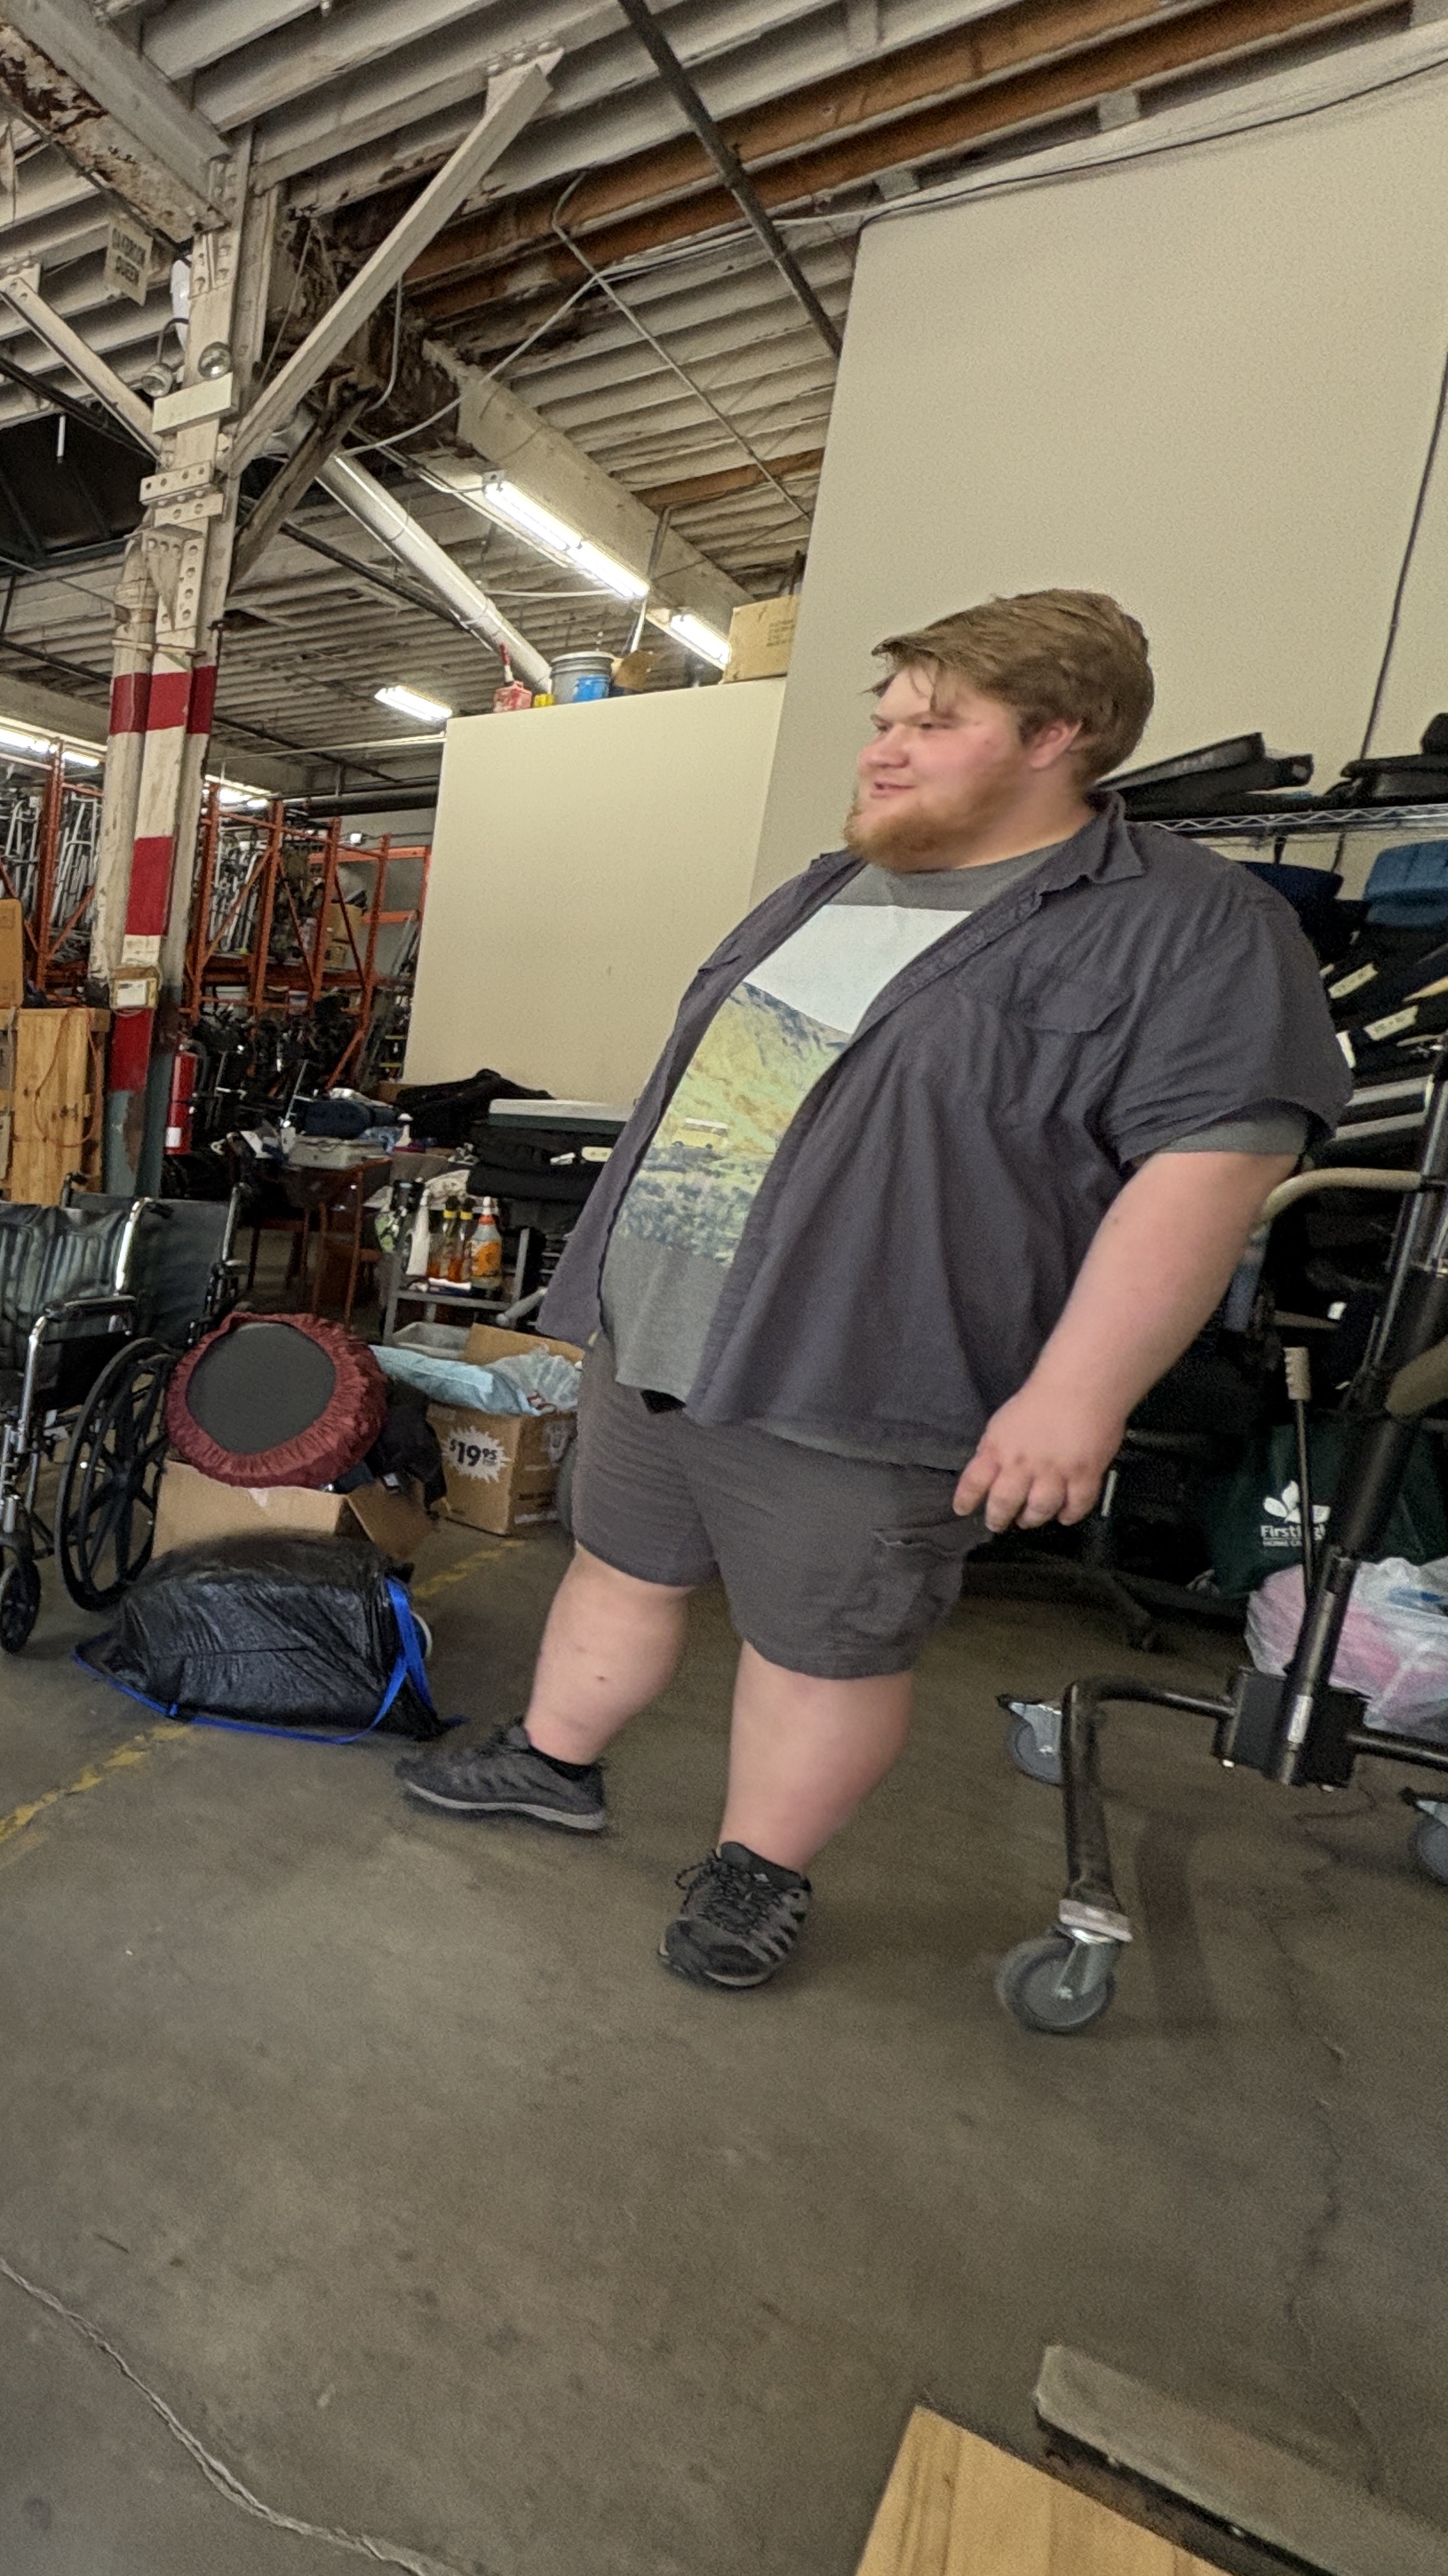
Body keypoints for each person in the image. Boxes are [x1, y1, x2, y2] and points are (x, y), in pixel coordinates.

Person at [396, 590, 1346, 1990]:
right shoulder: (834, 888)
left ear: (1058, 736)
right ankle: (553, 1759)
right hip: (661, 1333)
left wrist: (1077, 1395)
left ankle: (757, 1871)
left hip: (865, 1365)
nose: (884, 748)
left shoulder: (1190, 927)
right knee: (620, 1565)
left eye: (933, 724)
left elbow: (1209, 1173)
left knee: (823, 1642)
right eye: (886, 718)